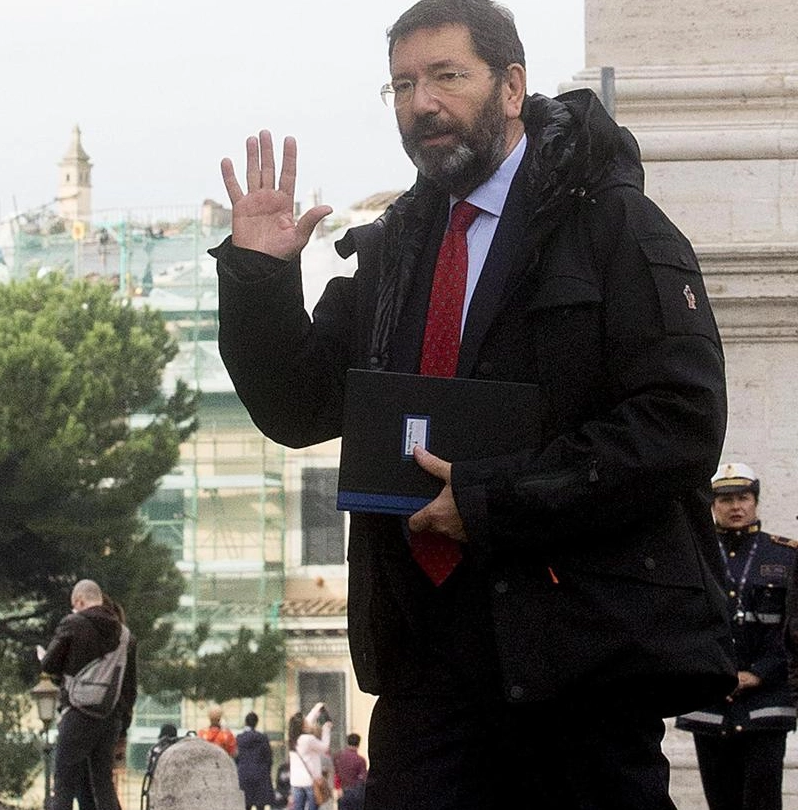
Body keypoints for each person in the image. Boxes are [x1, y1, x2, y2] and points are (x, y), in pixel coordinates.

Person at [212, 0, 734, 807]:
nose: (423, 103)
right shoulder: (389, 253)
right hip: (427, 664)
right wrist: (260, 280)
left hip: (579, 659)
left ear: (512, 85)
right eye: (402, 86)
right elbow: (299, 405)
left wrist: (491, 501)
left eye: (447, 76)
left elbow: (680, 423)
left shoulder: (614, 226)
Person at [677, 464, 795, 810]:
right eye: (725, 499)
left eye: (743, 497)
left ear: (755, 502)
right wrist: (717, 672)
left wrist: (758, 672)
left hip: (766, 699)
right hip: (710, 697)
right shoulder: (692, 555)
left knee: (762, 800)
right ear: (713, 505)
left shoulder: (786, 556)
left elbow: (791, 627)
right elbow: (684, 624)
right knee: (721, 801)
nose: (735, 507)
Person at [40, 579, 138, 810]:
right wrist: (123, 727)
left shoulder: (73, 624)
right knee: (104, 784)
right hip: (109, 716)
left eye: (75, 606)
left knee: (63, 783)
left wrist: (50, 663)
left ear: (80, 601)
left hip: (78, 713)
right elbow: (129, 688)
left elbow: (49, 664)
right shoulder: (125, 636)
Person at [287, 705, 333, 810]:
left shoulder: (292, 738)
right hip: (310, 782)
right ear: (302, 726)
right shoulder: (307, 739)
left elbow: (306, 721)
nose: (308, 722)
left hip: (296, 781)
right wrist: (326, 729)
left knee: (298, 808)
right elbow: (324, 747)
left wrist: (316, 709)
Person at [235, 712, 274, 810]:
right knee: (260, 805)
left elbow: (236, 757)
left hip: (244, 774)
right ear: (256, 722)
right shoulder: (262, 738)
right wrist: (267, 772)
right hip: (260, 774)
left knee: (245, 805)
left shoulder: (239, 738)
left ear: (245, 722)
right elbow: (269, 758)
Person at [331, 734, 367, 810]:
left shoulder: (338, 757)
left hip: (342, 791)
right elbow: (363, 778)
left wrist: (338, 787)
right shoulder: (360, 760)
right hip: (356, 792)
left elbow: (336, 774)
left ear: (347, 742)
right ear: (358, 744)